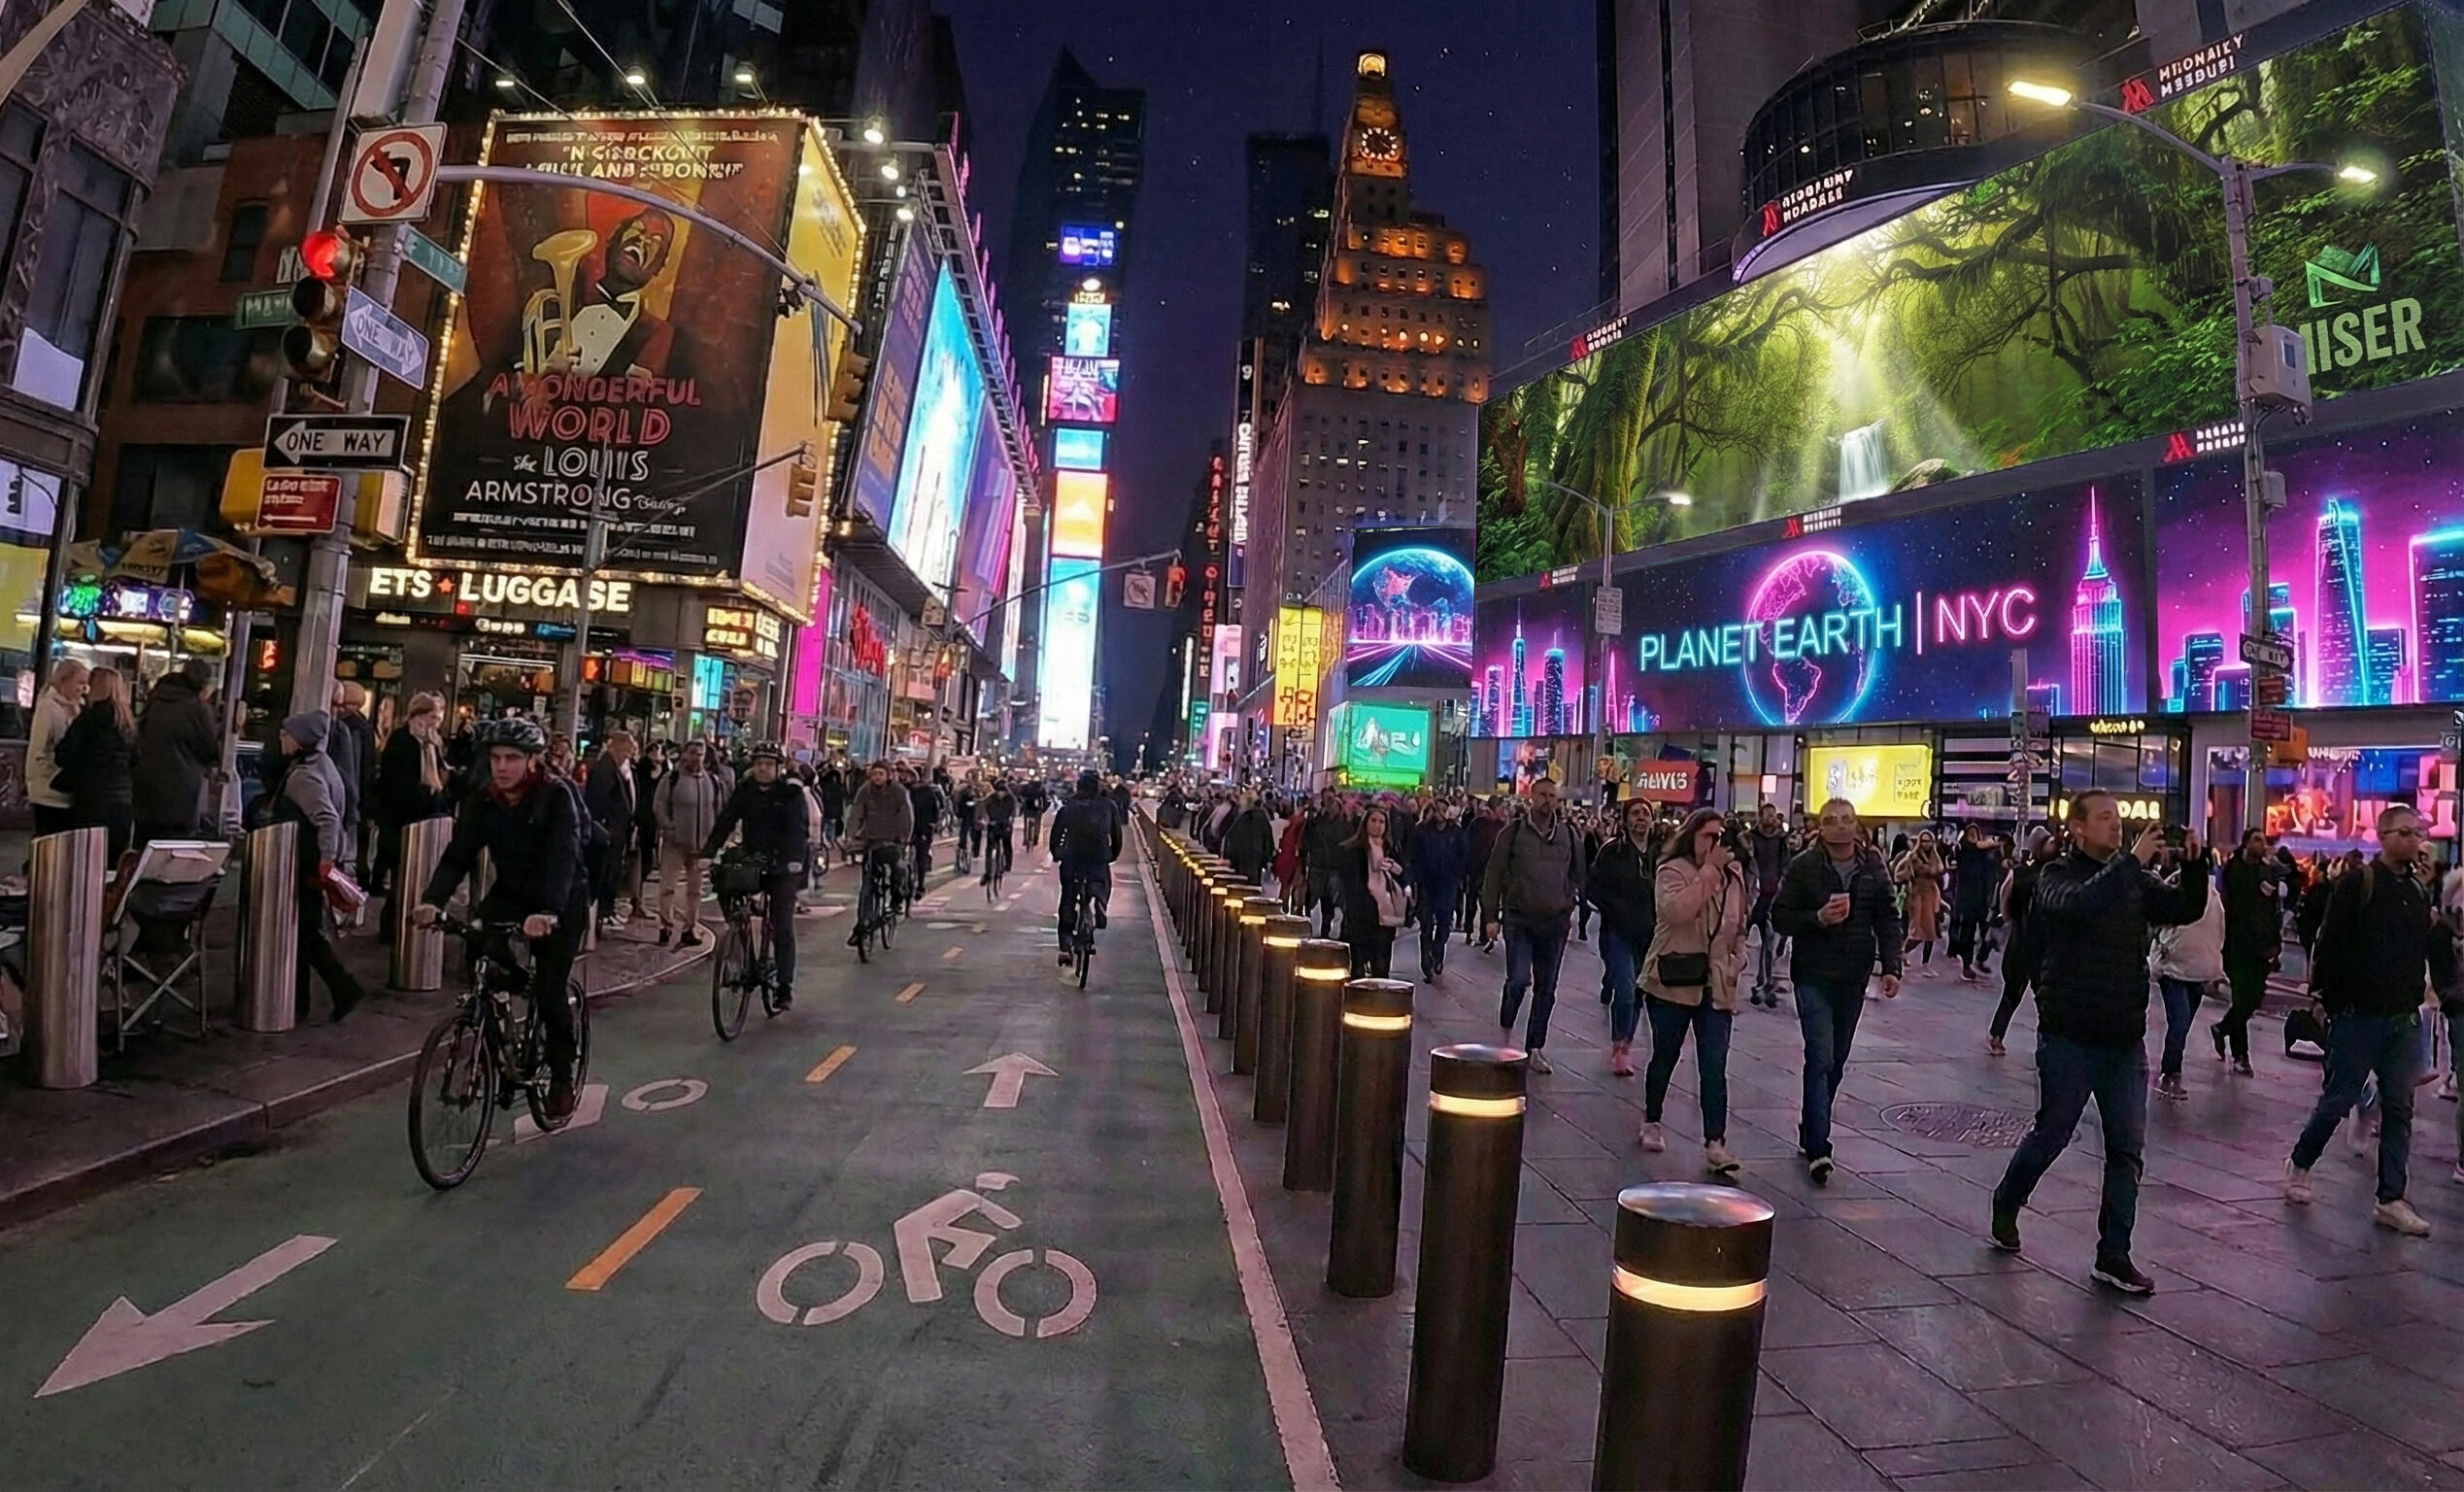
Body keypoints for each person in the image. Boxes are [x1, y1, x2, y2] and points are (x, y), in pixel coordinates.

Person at [1989, 792, 2208, 1294]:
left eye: (2118, 817)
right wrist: (2131, 864)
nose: (2116, 825)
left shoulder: (2130, 879)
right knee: (2053, 1133)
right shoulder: (2056, 876)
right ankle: (2008, 1198)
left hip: (2124, 1037)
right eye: (2105, 818)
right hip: (2070, 1033)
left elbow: (2183, 908)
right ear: (2078, 829)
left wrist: (2197, 867)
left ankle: (2114, 1254)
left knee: (2127, 1149)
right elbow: (2078, 906)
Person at [2283, 804, 2445, 1237]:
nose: (2415, 841)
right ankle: (2301, 1162)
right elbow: (2332, 940)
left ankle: (2391, 1197)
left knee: (2398, 1107)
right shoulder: (2359, 882)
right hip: (2359, 1015)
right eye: (2406, 832)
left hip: (2402, 1016)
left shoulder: (2415, 888)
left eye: (2418, 833)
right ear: (2384, 835)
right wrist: (2325, 999)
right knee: (2339, 1098)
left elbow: (2424, 946)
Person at [414, 717, 586, 1119]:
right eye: (496, 758)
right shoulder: (483, 800)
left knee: (549, 987)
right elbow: (459, 855)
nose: (502, 766)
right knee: (477, 952)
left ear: (532, 761)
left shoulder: (555, 796)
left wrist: (549, 912)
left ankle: (561, 1074)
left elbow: (565, 856)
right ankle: (496, 1041)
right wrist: (432, 900)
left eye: (512, 758)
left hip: (560, 897)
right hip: (510, 892)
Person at [1772, 797, 1904, 1182]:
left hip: (1853, 975)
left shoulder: (1872, 865)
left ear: (1857, 825)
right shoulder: (1805, 866)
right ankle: (1819, 1147)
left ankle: (1811, 1125)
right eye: (1832, 820)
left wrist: (1891, 966)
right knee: (1821, 1056)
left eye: (1847, 820)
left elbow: (1888, 918)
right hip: (1813, 975)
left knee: (1837, 1060)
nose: (1841, 826)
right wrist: (1816, 918)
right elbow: (1780, 916)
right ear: (1821, 828)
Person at [1637, 808, 1749, 1173]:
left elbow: (1739, 923)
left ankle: (1716, 1142)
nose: (1715, 844)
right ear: (1692, 836)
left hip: (1716, 982)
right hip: (1673, 978)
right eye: (1707, 837)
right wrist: (1708, 871)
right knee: (1665, 1054)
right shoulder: (1673, 871)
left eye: (1720, 837)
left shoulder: (1734, 877)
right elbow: (1676, 912)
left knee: (1714, 1064)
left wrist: (1739, 958)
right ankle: (1652, 1119)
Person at [1482, 776, 1587, 1075]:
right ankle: (1508, 1012)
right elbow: (1494, 872)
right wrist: (1491, 915)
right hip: (1519, 918)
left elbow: (1579, 873)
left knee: (1547, 988)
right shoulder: (1513, 833)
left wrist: (1573, 902)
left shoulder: (1568, 834)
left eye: (1552, 796)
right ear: (1531, 797)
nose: (1547, 800)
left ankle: (1534, 1047)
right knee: (1518, 979)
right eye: (1541, 794)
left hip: (1554, 922)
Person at [267, 710, 366, 1023]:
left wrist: (326, 860)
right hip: (310, 862)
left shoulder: (304, 777)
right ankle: (301, 1000)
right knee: (304, 932)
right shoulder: (322, 764)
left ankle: (343, 990)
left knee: (305, 933)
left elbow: (327, 819)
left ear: (299, 740)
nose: (281, 738)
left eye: (286, 734)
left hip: (305, 864)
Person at [701, 743, 810, 1009]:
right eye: (759, 763)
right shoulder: (745, 791)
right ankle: (742, 943)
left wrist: (794, 861)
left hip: (784, 862)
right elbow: (726, 821)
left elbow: (798, 831)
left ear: (778, 768)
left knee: (781, 923)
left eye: (769, 764)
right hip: (753, 856)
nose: (763, 768)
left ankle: (784, 987)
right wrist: (708, 852)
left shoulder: (790, 794)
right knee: (725, 886)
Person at [1586, 798, 1662, 1078]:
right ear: (1626, 820)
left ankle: (1625, 1043)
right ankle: (1620, 1045)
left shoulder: (1659, 853)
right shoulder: (1613, 852)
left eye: (1645, 813)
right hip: (1617, 932)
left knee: (1639, 992)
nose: (1641, 818)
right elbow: (1593, 888)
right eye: (1635, 814)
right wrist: (1614, 908)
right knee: (1626, 989)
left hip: (1650, 934)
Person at [2150, 855, 2224, 1101]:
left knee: (2183, 1024)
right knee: (2179, 1021)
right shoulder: (2173, 889)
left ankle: (2172, 1069)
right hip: (2174, 968)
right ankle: (2170, 1073)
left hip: (2198, 968)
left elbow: (2218, 931)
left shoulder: (2212, 899)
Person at [373, 692, 451, 915]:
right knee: (401, 873)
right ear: (419, 716)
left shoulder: (431, 742)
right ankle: (391, 922)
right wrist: (423, 793)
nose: (436, 723)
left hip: (424, 816)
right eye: (432, 717)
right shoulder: (401, 740)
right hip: (401, 818)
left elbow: (438, 773)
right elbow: (396, 782)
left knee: (415, 873)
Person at [2210, 829, 2278, 1077]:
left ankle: (2222, 1028)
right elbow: (2226, 907)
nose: (2262, 844)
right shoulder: (2232, 871)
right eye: (2257, 840)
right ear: (2246, 843)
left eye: (2264, 840)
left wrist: (2275, 943)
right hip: (2236, 946)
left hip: (2261, 948)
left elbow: (2272, 910)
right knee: (2241, 998)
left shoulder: (2266, 871)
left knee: (2253, 1000)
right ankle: (2241, 1056)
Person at [55, 664, 140, 862]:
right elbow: (136, 760)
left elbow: (64, 755)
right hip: (122, 802)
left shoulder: (88, 719)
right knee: (114, 862)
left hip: (91, 799)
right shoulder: (128, 723)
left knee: (86, 861)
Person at [132, 659, 218, 846]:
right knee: (173, 852)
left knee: (143, 850)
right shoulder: (196, 708)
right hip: (181, 795)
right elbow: (209, 749)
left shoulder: (156, 700)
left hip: (145, 791)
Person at [1987, 831, 2052, 1055]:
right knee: (2021, 992)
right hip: (2028, 940)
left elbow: (2005, 902)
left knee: (2034, 994)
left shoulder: (2035, 873)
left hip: (2030, 940)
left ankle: (2044, 1041)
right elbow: (2005, 899)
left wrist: (2007, 917)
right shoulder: (2032, 874)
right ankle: (1999, 1034)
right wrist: (2008, 918)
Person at [653, 741, 723, 946]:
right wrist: (669, 827)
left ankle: (689, 928)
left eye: (700, 754)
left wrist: (714, 839)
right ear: (684, 754)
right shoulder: (671, 779)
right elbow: (659, 805)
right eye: (692, 753)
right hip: (675, 845)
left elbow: (717, 809)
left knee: (695, 890)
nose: (696, 758)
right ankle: (665, 926)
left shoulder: (712, 781)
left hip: (701, 846)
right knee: (668, 887)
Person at [1050, 769, 1123, 955]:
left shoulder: (1069, 805)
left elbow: (1056, 833)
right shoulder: (1108, 806)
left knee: (1068, 896)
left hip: (1072, 856)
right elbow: (1116, 834)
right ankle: (1099, 899)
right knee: (1101, 880)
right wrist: (1112, 855)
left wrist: (1056, 853)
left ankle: (1066, 945)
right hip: (1098, 855)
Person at [846, 760, 917, 938]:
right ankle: (862, 925)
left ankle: (896, 899)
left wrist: (903, 838)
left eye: (881, 774)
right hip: (871, 840)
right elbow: (856, 813)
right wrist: (851, 836)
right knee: (867, 886)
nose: (877, 778)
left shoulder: (898, 791)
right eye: (874, 774)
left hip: (893, 840)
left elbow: (906, 815)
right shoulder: (865, 791)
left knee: (898, 869)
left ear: (888, 776)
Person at [1336, 804, 1408, 977]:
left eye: (1382, 822)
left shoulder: (1391, 849)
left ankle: (1378, 999)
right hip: (1361, 911)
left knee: (1381, 965)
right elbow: (1349, 880)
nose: (1378, 825)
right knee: (1358, 964)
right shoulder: (1354, 849)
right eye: (1374, 820)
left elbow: (1403, 875)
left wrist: (1395, 869)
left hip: (1385, 913)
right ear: (1365, 822)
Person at [25, 659, 89, 839]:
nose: (83, 689)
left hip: (66, 792)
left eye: (85, 684)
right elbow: (39, 749)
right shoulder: (48, 707)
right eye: (80, 683)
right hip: (49, 791)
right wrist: (57, 776)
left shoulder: (77, 708)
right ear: (64, 681)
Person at [583, 732, 639, 932]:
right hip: (608, 832)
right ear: (618, 746)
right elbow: (597, 802)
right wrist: (605, 828)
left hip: (618, 831)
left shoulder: (621, 769)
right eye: (629, 746)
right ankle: (601, 915)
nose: (632, 751)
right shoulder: (605, 769)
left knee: (613, 872)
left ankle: (607, 911)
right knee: (605, 873)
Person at [1409, 799, 1470, 982]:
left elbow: (1464, 855)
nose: (1442, 813)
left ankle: (1438, 952)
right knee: (1426, 924)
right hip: (1427, 884)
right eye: (1439, 809)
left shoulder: (1456, 832)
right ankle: (1426, 961)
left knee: (1444, 922)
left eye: (1445, 810)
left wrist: (1459, 875)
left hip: (1447, 884)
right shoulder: (1422, 831)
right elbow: (1414, 855)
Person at [1743, 801, 1791, 1006]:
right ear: (1760, 816)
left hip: (1770, 896)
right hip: (1751, 896)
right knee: (1736, 940)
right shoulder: (1749, 839)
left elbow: (1786, 866)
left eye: (1773, 815)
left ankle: (1765, 981)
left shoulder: (1781, 841)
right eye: (1767, 815)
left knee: (1769, 941)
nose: (1770, 819)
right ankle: (1728, 983)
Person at [1948, 821, 2003, 982]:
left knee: (1988, 930)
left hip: (1983, 897)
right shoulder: (1964, 850)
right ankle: (1967, 965)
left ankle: (1980, 958)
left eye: (1975, 834)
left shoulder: (1985, 855)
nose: (1974, 837)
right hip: (1967, 898)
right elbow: (1975, 847)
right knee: (1968, 932)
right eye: (1970, 834)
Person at [1301, 789, 1353, 938]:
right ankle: (1311, 924)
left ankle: (1325, 927)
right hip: (1319, 866)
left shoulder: (1344, 825)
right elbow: (1308, 837)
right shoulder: (1318, 821)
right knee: (1314, 897)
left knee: (1329, 900)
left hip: (1334, 867)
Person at [1896, 830, 1944, 970]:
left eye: (1928, 841)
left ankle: (1925, 963)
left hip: (1931, 895)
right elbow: (1898, 872)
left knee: (1930, 932)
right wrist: (1907, 875)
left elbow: (1939, 870)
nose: (1926, 844)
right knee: (1917, 931)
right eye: (1923, 841)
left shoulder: (1935, 857)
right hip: (1917, 896)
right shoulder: (1913, 856)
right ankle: (1901, 954)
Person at [1465, 797, 1505, 949]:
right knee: (1471, 902)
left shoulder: (1502, 827)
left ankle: (1484, 935)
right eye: (1500, 808)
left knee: (1487, 902)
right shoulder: (1478, 824)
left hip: (1491, 871)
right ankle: (1469, 931)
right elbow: (1468, 844)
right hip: (1475, 869)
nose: (1503, 812)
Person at [1222, 789, 1276, 891]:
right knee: (1253, 887)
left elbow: (1231, 838)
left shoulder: (1241, 817)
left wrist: (1229, 858)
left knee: (1240, 888)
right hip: (1256, 859)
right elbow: (1268, 839)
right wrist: (1267, 858)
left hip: (1241, 861)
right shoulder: (1262, 816)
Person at [908, 766, 944, 885]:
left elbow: (936, 808)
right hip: (909, 827)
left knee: (921, 854)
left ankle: (920, 883)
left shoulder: (928, 791)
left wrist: (934, 823)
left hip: (923, 827)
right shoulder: (904, 791)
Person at [979, 777, 1018, 884]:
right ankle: (987, 873)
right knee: (989, 847)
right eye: (998, 791)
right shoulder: (990, 798)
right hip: (993, 824)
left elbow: (1014, 811)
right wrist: (985, 819)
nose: (1000, 793)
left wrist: (1011, 819)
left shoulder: (1011, 799)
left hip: (1005, 825)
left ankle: (1008, 864)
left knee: (1007, 843)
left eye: (1002, 791)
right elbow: (983, 809)